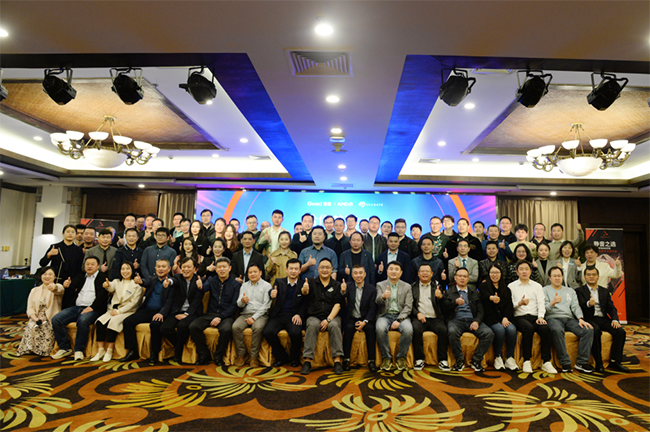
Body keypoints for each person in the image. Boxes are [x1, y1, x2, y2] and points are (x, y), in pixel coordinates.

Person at [51, 257, 108, 360]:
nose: (89, 266)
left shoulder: (103, 278)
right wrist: (66, 285)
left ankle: (79, 350)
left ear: (98, 266)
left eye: (92, 264)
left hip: (93, 309)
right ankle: (65, 348)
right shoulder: (81, 276)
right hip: (77, 307)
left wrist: (92, 307)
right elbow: (71, 289)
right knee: (56, 319)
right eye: (87, 264)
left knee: (83, 320)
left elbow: (103, 296)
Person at [120, 259, 174, 364]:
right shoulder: (152, 279)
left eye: (163, 267)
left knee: (155, 324)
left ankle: (154, 352)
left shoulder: (172, 282)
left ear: (169, 269)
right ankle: (132, 351)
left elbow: (170, 302)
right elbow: (145, 282)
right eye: (158, 266)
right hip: (147, 310)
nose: (160, 269)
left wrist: (161, 313)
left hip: (161, 311)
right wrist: (140, 281)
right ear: (155, 268)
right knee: (128, 322)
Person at [576, 266, 629, 373]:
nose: (591, 277)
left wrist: (615, 319)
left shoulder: (604, 291)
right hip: (589, 319)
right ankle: (599, 362)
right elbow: (578, 307)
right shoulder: (579, 291)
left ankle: (615, 361)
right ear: (584, 277)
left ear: (598, 277)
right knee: (595, 331)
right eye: (589, 275)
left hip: (603, 319)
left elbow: (611, 307)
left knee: (620, 332)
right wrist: (588, 304)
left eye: (594, 274)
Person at [189, 257, 241, 366]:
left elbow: (234, 306)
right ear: (216, 269)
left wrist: (220, 317)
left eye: (224, 267)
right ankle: (204, 355)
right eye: (219, 267)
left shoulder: (235, 284)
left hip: (226, 315)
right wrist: (200, 287)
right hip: (211, 313)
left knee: (226, 329)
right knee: (193, 326)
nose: (222, 269)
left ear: (229, 268)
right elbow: (204, 288)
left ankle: (218, 357)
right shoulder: (212, 280)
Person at [509, 260, 557, 374]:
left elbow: (541, 303)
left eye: (527, 269)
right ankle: (526, 360)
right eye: (521, 269)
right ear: (517, 272)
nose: (524, 272)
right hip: (520, 317)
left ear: (530, 271)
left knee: (545, 329)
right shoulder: (511, 286)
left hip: (535, 317)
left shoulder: (537, 286)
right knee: (528, 328)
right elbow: (509, 305)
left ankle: (546, 361)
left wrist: (541, 317)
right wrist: (519, 303)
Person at [544, 267, 594, 373]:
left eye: (559, 276)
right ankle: (565, 363)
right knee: (557, 330)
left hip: (569, 319)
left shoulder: (570, 291)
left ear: (562, 277)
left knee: (588, 330)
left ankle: (582, 362)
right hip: (553, 318)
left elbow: (575, 306)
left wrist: (580, 318)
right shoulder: (545, 290)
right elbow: (544, 310)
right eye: (554, 276)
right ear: (550, 277)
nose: (557, 278)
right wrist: (553, 302)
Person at [300, 258, 346, 375]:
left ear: (331, 270)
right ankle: (307, 361)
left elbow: (338, 305)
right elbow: (304, 293)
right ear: (318, 269)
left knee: (334, 326)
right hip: (314, 316)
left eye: (327, 267)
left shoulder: (337, 285)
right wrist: (304, 290)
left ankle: (337, 361)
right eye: (322, 267)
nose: (325, 270)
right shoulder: (311, 282)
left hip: (332, 317)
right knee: (312, 325)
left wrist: (328, 319)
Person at [443, 268, 494, 372]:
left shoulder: (474, 292)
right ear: (455, 278)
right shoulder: (448, 292)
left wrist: (477, 321)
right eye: (460, 276)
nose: (462, 278)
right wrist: (455, 303)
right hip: (456, 320)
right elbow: (443, 309)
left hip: (472, 320)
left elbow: (480, 311)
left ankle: (476, 360)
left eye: (464, 276)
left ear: (468, 279)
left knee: (489, 333)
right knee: (452, 331)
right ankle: (459, 360)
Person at [91, 262, 143, 362]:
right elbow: (110, 286)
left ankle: (109, 351)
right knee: (99, 322)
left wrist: (119, 311)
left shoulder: (137, 285)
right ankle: (100, 351)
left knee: (113, 323)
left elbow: (133, 303)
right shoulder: (117, 281)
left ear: (132, 270)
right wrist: (106, 285)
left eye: (127, 269)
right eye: (123, 269)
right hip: (113, 310)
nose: (125, 271)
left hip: (127, 311)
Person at [160, 257, 204, 363]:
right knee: (164, 328)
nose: (186, 269)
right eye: (184, 267)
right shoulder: (178, 277)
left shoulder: (198, 280)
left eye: (189, 267)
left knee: (182, 326)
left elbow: (197, 301)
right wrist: (168, 282)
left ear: (195, 269)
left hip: (193, 312)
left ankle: (178, 352)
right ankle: (180, 346)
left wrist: (186, 314)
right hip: (178, 310)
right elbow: (173, 281)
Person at [263, 258, 305, 368]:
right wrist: (272, 293)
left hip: (294, 316)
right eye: (291, 268)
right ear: (286, 269)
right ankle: (282, 356)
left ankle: (294, 358)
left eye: (296, 269)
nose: (293, 271)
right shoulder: (279, 282)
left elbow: (306, 303)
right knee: (268, 331)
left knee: (295, 333)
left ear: (300, 270)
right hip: (279, 315)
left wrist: (299, 315)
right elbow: (272, 291)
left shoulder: (303, 284)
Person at [232, 263, 273, 367]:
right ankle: (241, 354)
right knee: (235, 327)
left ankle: (254, 356)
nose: (252, 274)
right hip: (246, 313)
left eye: (255, 272)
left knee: (257, 327)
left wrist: (254, 318)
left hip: (261, 315)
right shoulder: (244, 286)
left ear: (260, 273)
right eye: (250, 272)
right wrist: (242, 301)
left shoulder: (267, 286)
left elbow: (266, 305)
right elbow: (238, 304)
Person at [17, 267, 64, 356]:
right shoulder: (35, 290)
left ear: (55, 277)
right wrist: (35, 318)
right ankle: (31, 349)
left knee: (45, 328)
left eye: (50, 274)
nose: (47, 276)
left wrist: (54, 287)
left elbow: (59, 290)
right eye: (44, 274)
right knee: (31, 326)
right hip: (37, 317)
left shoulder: (57, 287)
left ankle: (42, 350)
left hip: (50, 319)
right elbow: (30, 308)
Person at [478, 265, 518, 371]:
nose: (494, 275)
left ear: (501, 274)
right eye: (492, 273)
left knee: (512, 329)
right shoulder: (484, 286)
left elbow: (509, 306)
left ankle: (510, 358)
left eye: (497, 273)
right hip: (490, 318)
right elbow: (484, 297)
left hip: (503, 318)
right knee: (500, 330)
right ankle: (498, 357)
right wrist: (491, 298)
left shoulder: (506, 288)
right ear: (488, 274)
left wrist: (505, 317)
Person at [411, 263, 449, 371]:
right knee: (416, 329)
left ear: (432, 274)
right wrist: (417, 313)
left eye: (427, 271)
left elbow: (446, 306)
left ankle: (442, 360)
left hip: (435, 318)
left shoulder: (437, 286)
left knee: (443, 330)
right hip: (419, 317)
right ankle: (419, 359)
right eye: (422, 271)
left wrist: (441, 297)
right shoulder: (413, 287)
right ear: (418, 274)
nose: (425, 273)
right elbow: (409, 305)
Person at [375, 261, 413, 371]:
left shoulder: (407, 286)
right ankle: (386, 357)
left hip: (401, 316)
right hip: (385, 315)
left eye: (396, 269)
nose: (393, 271)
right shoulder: (380, 285)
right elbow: (377, 301)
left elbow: (408, 306)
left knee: (408, 329)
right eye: (391, 269)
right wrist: (383, 297)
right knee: (380, 328)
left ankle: (401, 357)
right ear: (387, 271)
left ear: (401, 273)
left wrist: (399, 319)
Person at [342, 264, 378, 372]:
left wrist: (365, 322)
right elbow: (341, 302)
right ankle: (346, 360)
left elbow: (372, 308)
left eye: (360, 273)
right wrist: (343, 292)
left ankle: (371, 361)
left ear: (365, 274)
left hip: (365, 318)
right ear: (352, 275)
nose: (358, 275)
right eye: (356, 273)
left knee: (371, 330)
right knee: (348, 329)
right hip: (351, 318)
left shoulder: (371, 289)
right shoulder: (347, 286)